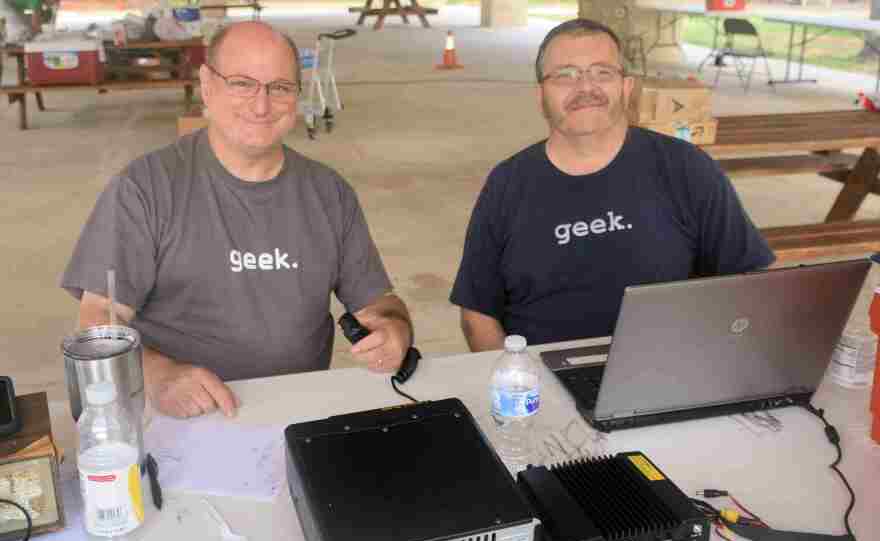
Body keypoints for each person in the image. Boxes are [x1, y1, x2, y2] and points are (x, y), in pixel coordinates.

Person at [62, 22, 413, 419]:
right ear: (207, 84)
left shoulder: (329, 193)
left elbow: (377, 304)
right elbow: (100, 320)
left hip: (297, 411)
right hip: (178, 413)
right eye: (243, 83)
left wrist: (393, 330)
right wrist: (160, 375)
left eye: (279, 87)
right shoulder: (144, 189)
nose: (261, 106)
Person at [450, 18, 774, 352]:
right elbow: (477, 315)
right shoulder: (507, 184)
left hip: (668, 372)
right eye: (565, 75)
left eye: (602, 72)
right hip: (540, 382)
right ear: (541, 94)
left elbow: (749, 283)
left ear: (626, 87)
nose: (585, 88)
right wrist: (519, 387)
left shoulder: (686, 168)